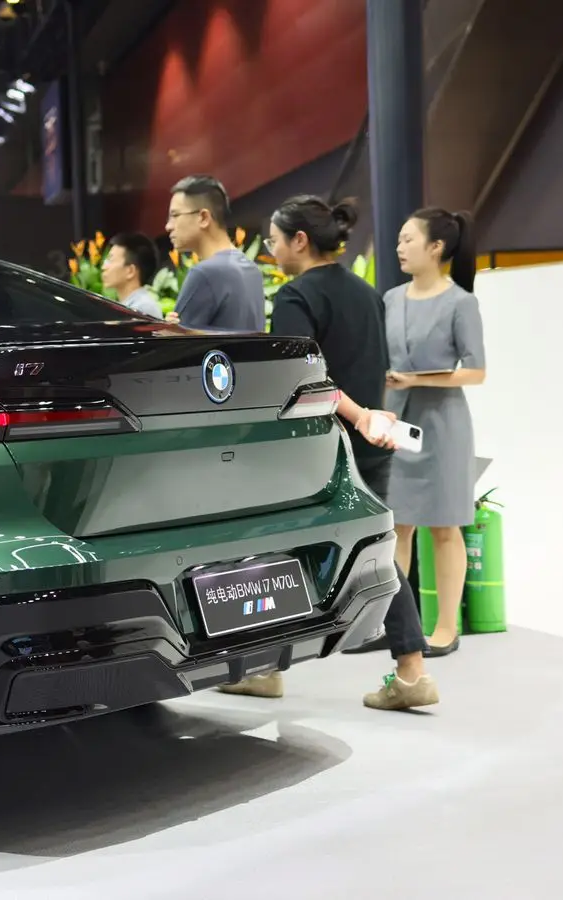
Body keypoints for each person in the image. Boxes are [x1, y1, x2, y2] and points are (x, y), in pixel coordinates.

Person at [218, 195, 438, 711]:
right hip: (370, 441)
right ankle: (411, 671)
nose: (270, 250)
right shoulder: (366, 293)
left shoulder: (295, 296)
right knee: (376, 552)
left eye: (274, 240)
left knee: (270, 549)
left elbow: (300, 378)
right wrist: (367, 419)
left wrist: (354, 416)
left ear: (300, 240)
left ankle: (265, 668)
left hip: (317, 446)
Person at [384, 208, 487, 656]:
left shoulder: (461, 302)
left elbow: (476, 372)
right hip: (396, 422)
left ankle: (446, 627)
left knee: (444, 527)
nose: (399, 247)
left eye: (408, 239)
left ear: (436, 247)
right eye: (399, 240)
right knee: (395, 527)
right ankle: (393, 626)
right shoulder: (390, 299)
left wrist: (416, 379)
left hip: (443, 425)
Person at [164, 175, 265, 332]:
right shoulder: (252, 269)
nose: (168, 226)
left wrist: (167, 331)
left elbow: (177, 341)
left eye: (175, 216)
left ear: (203, 217)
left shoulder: (205, 273)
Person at [99, 232, 164, 318]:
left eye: (110, 260)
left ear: (130, 271)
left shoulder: (143, 309)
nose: (103, 267)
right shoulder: (128, 305)